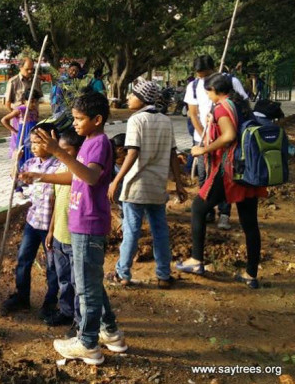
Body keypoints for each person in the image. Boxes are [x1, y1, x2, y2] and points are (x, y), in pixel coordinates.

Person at [22, 92, 127, 365]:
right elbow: (77, 174)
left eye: (80, 119)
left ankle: (88, 343)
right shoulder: (90, 142)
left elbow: (91, 177)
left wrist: (57, 151)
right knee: (90, 282)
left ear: (97, 119)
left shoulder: (101, 143)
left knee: (85, 286)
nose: (76, 124)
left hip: (89, 223)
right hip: (81, 221)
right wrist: (42, 175)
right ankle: (110, 332)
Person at [176, 74, 267, 289]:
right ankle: (251, 274)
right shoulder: (239, 104)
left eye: (208, 91)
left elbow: (228, 135)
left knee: (198, 208)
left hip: (229, 170)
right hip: (248, 170)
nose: (207, 95)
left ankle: (197, 260)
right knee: (249, 223)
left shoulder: (221, 107)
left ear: (216, 91)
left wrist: (202, 149)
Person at [107, 81, 188, 289]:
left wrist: (116, 180)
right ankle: (163, 275)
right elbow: (172, 153)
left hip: (136, 186)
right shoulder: (165, 120)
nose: (128, 98)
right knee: (159, 230)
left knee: (131, 230)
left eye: (132, 95)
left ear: (142, 99)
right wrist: (178, 183)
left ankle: (122, 273)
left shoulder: (137, 120)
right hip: (157, 185)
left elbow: (132, 152)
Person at [1, 123, 60, 318]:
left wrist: (52, 230)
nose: (34, 147)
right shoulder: (30, 164)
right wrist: (15, 161)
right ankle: (22, 296)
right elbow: (16, 181)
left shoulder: (59, 167)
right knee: (23, 259)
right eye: (32, 143)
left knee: (52, 265)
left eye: (39, 142)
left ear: (52, 142)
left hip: (51, 225)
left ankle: (51, 302)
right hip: (33, 221)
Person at [184, 55, 248, 230]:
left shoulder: (229, 82)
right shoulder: (194, 86)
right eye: (199, 76)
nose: (202, 80)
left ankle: (224, 213)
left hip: (226, 144)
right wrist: (203, 138)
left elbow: (244, 105)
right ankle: (208, 211)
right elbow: (193, 113)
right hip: (204, 139)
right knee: (205, 177)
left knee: (225, 177)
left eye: (205, 76)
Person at [44, 130, 85, 328]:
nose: (60, 154)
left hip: (75, 238)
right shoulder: (60, 169)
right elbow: (57, 204)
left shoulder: (80, 173)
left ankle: (79, 320)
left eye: (65, 151)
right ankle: (66, 311)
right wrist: (51, 230)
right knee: (64, 279)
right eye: (58, 150)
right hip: (59, 235)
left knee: (79, 282)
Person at [0, 90, 42, 170]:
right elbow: (4, 120)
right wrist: (15, 131)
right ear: (24, 101)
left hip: (33, 135)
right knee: (23, 153)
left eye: (36, 102)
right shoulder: (21, 109)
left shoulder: (35, 110)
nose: (34, 104)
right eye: (31, 101)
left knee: (33, 151)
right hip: (23, 134)